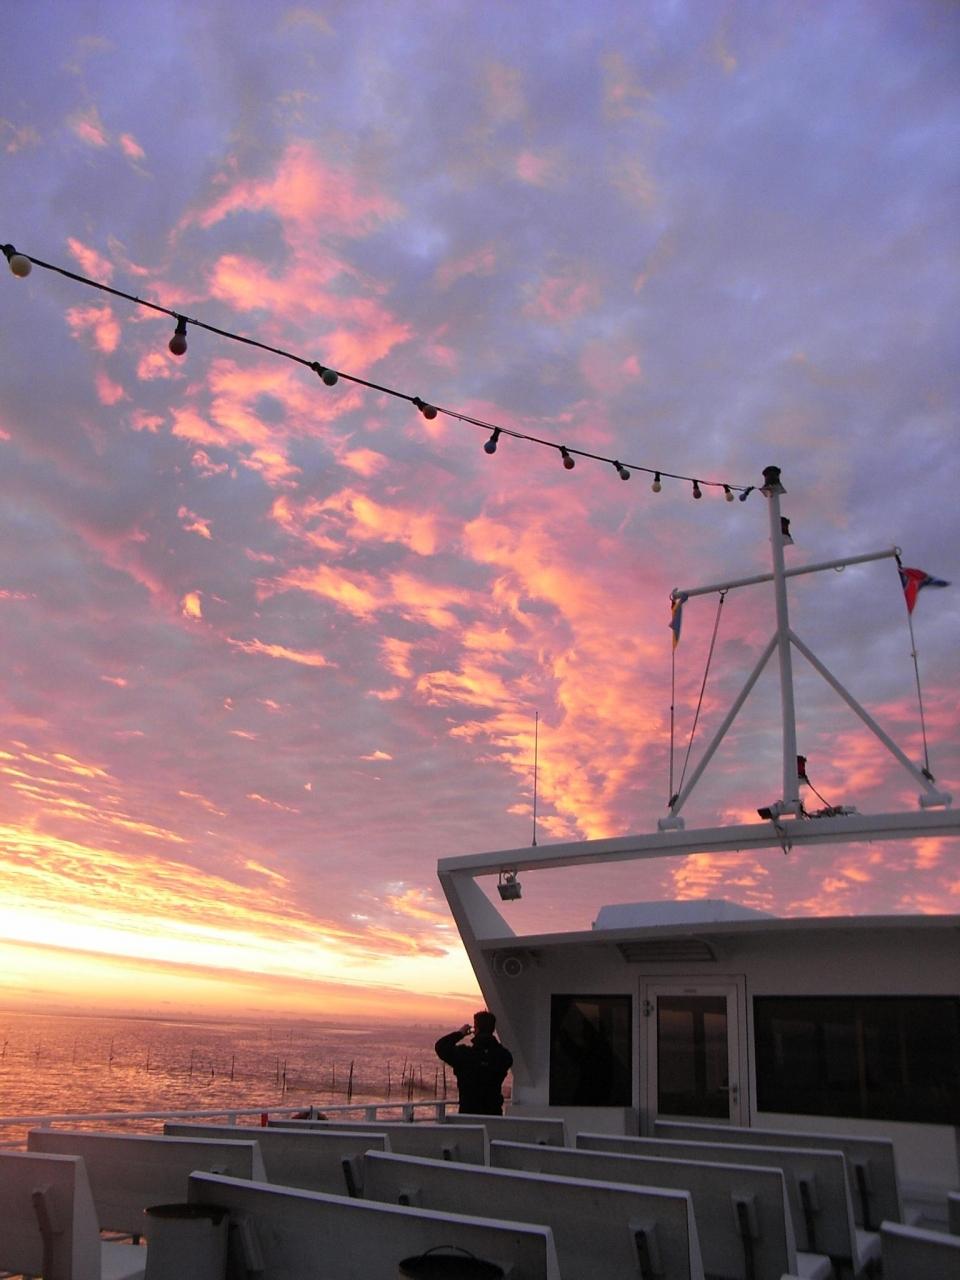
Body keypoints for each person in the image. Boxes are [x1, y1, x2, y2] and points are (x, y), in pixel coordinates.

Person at [435, 1010, 513, 1115]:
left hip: (468, 1115)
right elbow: (507, 1057)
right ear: (493, 1029)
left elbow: (440, 1046)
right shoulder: (502, 1057)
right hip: (493, 1115)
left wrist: (460, 1033)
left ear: (475, 1030)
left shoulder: (465, 1055)